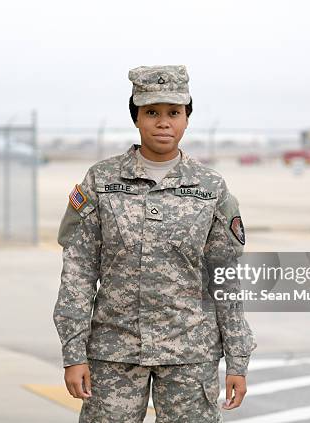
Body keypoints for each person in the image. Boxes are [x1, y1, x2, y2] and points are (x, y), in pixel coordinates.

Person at [53, 65, 257, 423]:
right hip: (114, 352)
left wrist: (237, 359)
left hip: (189, 354)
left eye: (174, 113)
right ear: (136, 118)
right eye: (152, 112)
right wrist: (74, 353)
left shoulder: (210, 187)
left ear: (187, 119)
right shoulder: (101, 180)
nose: (164, 122)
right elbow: (78, 273)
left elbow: (225, 278)